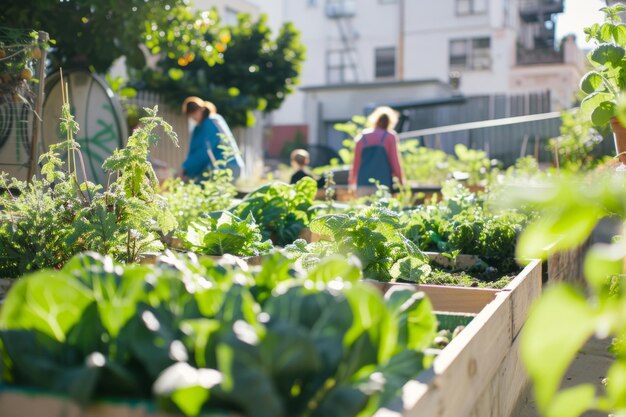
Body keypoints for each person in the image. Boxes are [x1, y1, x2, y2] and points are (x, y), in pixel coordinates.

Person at [181, 96, 244, 181]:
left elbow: (204, 152)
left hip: (226, 166)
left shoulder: (210, 123)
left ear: (200, 110)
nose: (193, 118)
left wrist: (186, 169)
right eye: (191, 116)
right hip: (223, 167)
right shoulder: (204, 125)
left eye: (194, 114)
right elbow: (195, 151)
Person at [348, 106, 404, 196]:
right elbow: (395, 163)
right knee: (381, 209)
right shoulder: (390, 137)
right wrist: (401, 183)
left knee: (364, 209)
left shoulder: (362, 137)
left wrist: (352, 183)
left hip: (363, 183)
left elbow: (355, 164)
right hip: (383, 184)